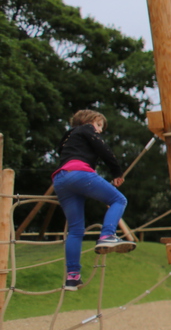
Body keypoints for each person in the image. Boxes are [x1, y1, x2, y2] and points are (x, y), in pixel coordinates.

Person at [52, 110, 135, 291]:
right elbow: (103, 150)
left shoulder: (68, 137)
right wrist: (117, 172)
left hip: (60, 180)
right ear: (89, 121)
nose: (99, 131)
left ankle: (72, 277)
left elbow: (64, 152)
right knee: (118, 200)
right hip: (79, 174)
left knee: (75, 230)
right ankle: (107, 235)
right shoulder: (86, 129)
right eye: (99, 125)